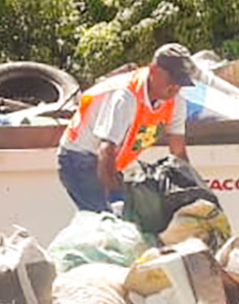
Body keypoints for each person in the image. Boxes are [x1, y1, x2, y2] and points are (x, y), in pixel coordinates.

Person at [56, 43, 195, 212]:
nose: (175, 87)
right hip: (79, 159)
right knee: (107, 222)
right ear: (153, 70)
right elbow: (105, 151)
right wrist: (115, 198)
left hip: (110, 162)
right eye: (171, 80)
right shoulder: (125, 97)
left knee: (132, 219)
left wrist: (191, 188)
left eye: (180, 83)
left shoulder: (175, 100)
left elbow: (178, 153)